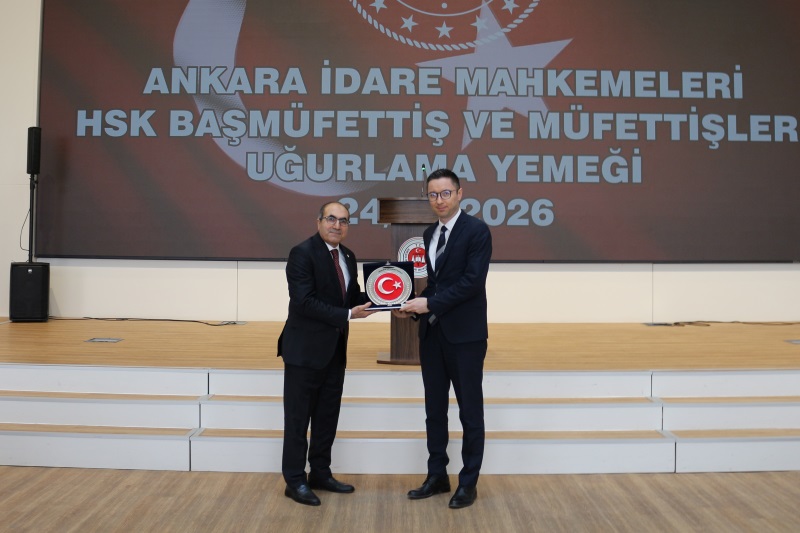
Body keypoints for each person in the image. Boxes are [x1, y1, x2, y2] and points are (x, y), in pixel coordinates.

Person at [393, 168, 492, 510]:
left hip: (466, 337)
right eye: (433, 194)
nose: (439, 200)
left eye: (445, 193)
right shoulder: (428, 233)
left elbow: (472, 283)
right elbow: (437, 285)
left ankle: (468, 483)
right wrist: (413, 306)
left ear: (459, 193)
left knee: (470, 413)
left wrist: (430, 303)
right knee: (434, 411)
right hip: (432, 334)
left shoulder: (477, 230)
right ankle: (437, 475)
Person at [277, 201, 375, 506]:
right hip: (304, 352)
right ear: (318, 221)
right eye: (331, 219)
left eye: (343, 221)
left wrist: (387, 299)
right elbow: (304, 301)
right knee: (298, 421)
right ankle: (295, 480)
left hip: (334, 351)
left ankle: (320, 473)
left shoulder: (348, 256)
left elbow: (352, 296)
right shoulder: (302, 253)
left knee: (326, 417)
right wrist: (347, 315)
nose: (337, 225)